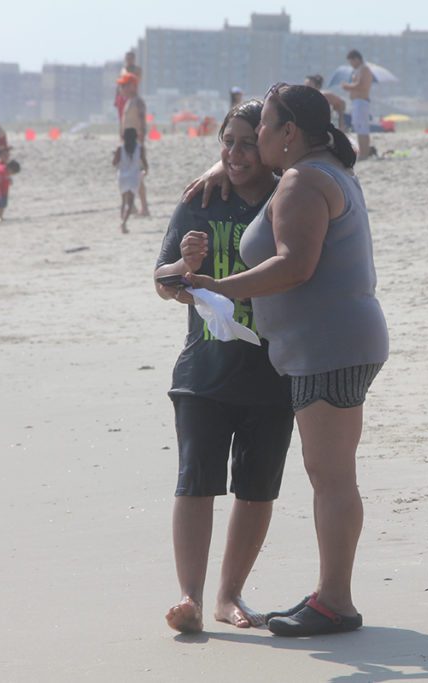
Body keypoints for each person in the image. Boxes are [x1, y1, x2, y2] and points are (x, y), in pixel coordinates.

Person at [184, 84, 389, 637]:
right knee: (332, 474)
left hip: (330, 347)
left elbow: (294, 265)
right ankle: (333, 596)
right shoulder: (323, 170)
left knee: (332, 476)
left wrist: (219, 286)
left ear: (288, 133)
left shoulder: (302, 180)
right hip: (335, 343)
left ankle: (335, 602)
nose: (259, 138)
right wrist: (218, 167)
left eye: (266, 128)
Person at [154, 99, 294, 635]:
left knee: (257, 488)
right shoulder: (201, 200)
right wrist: (184, 268)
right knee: (196, 482)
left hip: (273, 369)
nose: (234, 154)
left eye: (245, 143)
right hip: (204, 371)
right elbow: (163, 284)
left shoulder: (289, 197)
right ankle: (188, 596)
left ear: (267, 144)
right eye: (226, 143)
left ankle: (229, 596)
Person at [118, 72, 150, 216]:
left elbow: (142, 120)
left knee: (137, 175)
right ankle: (135, 206)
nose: (121, 88)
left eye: (124, 85)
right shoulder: (128, 102)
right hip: (128, 144)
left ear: (132, 86)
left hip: (136, 143)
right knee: (129, 175)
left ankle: (143, 207)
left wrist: (141, 140)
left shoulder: (138, 101)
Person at [342, 49, 374, 160]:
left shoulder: (364, 69)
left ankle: (364, 153)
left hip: (361, 101)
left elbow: (362, 85)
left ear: (356, 59)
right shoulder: (358, 70)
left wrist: (348, 86)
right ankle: (363, 152)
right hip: (357, 102)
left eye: (351, 61)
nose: (351, 64)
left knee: (363, 128)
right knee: (359, 128)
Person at [113, 127, 144, 233]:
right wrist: (145, 171)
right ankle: (124, 223)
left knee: (123, 201)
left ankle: (122, 222)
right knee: (130, 202)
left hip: (122, 177)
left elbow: (114, 163)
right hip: (134, 177)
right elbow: (144, 162)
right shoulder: (140, 148)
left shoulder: (120, 148)